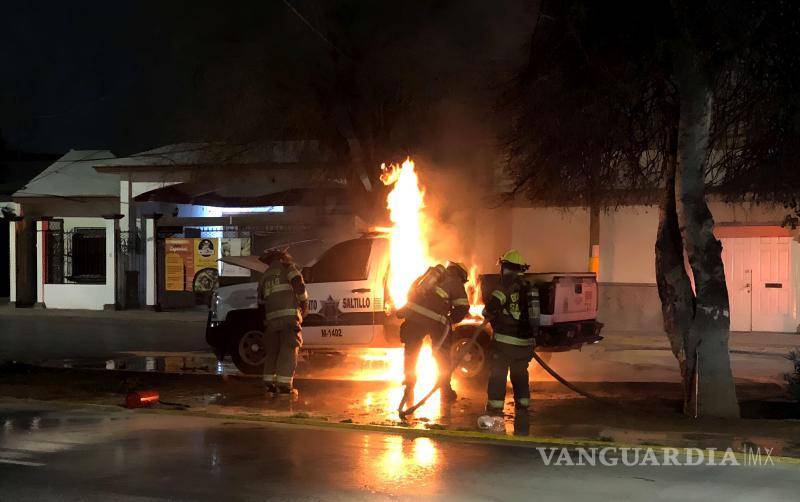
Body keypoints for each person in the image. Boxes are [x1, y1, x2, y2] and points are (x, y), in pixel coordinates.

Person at [398, 261, 470, 403]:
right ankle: (445, 389)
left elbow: (411, 292)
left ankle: (409, 384)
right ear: (461, 275)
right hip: (436, 321)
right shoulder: (455, 282)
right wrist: (450, 319)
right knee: (442, 354)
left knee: (411, 351)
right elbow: (462, 307)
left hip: (413, 317)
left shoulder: (429, 275)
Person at [482, 249, 540, 415]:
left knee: (498, 374)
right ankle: (523, 404)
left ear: (504, 267)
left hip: (505, 343)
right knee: (520, 374)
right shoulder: (529, 287)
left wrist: (487, 314)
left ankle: (495, 407)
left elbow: (491, 307)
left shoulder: (505, 285)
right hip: (526, 343)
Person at [258, 249, 308, 396]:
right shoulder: (288, 268)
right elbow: (299, 285)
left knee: (273, 350)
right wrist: (304, 303)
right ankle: (285, 387)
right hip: (288, 317)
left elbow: (260, 301)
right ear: (282, 257)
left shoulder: (265, 276)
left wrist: (266, 320)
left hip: (271, 320)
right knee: (289, 348)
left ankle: (269, 384)